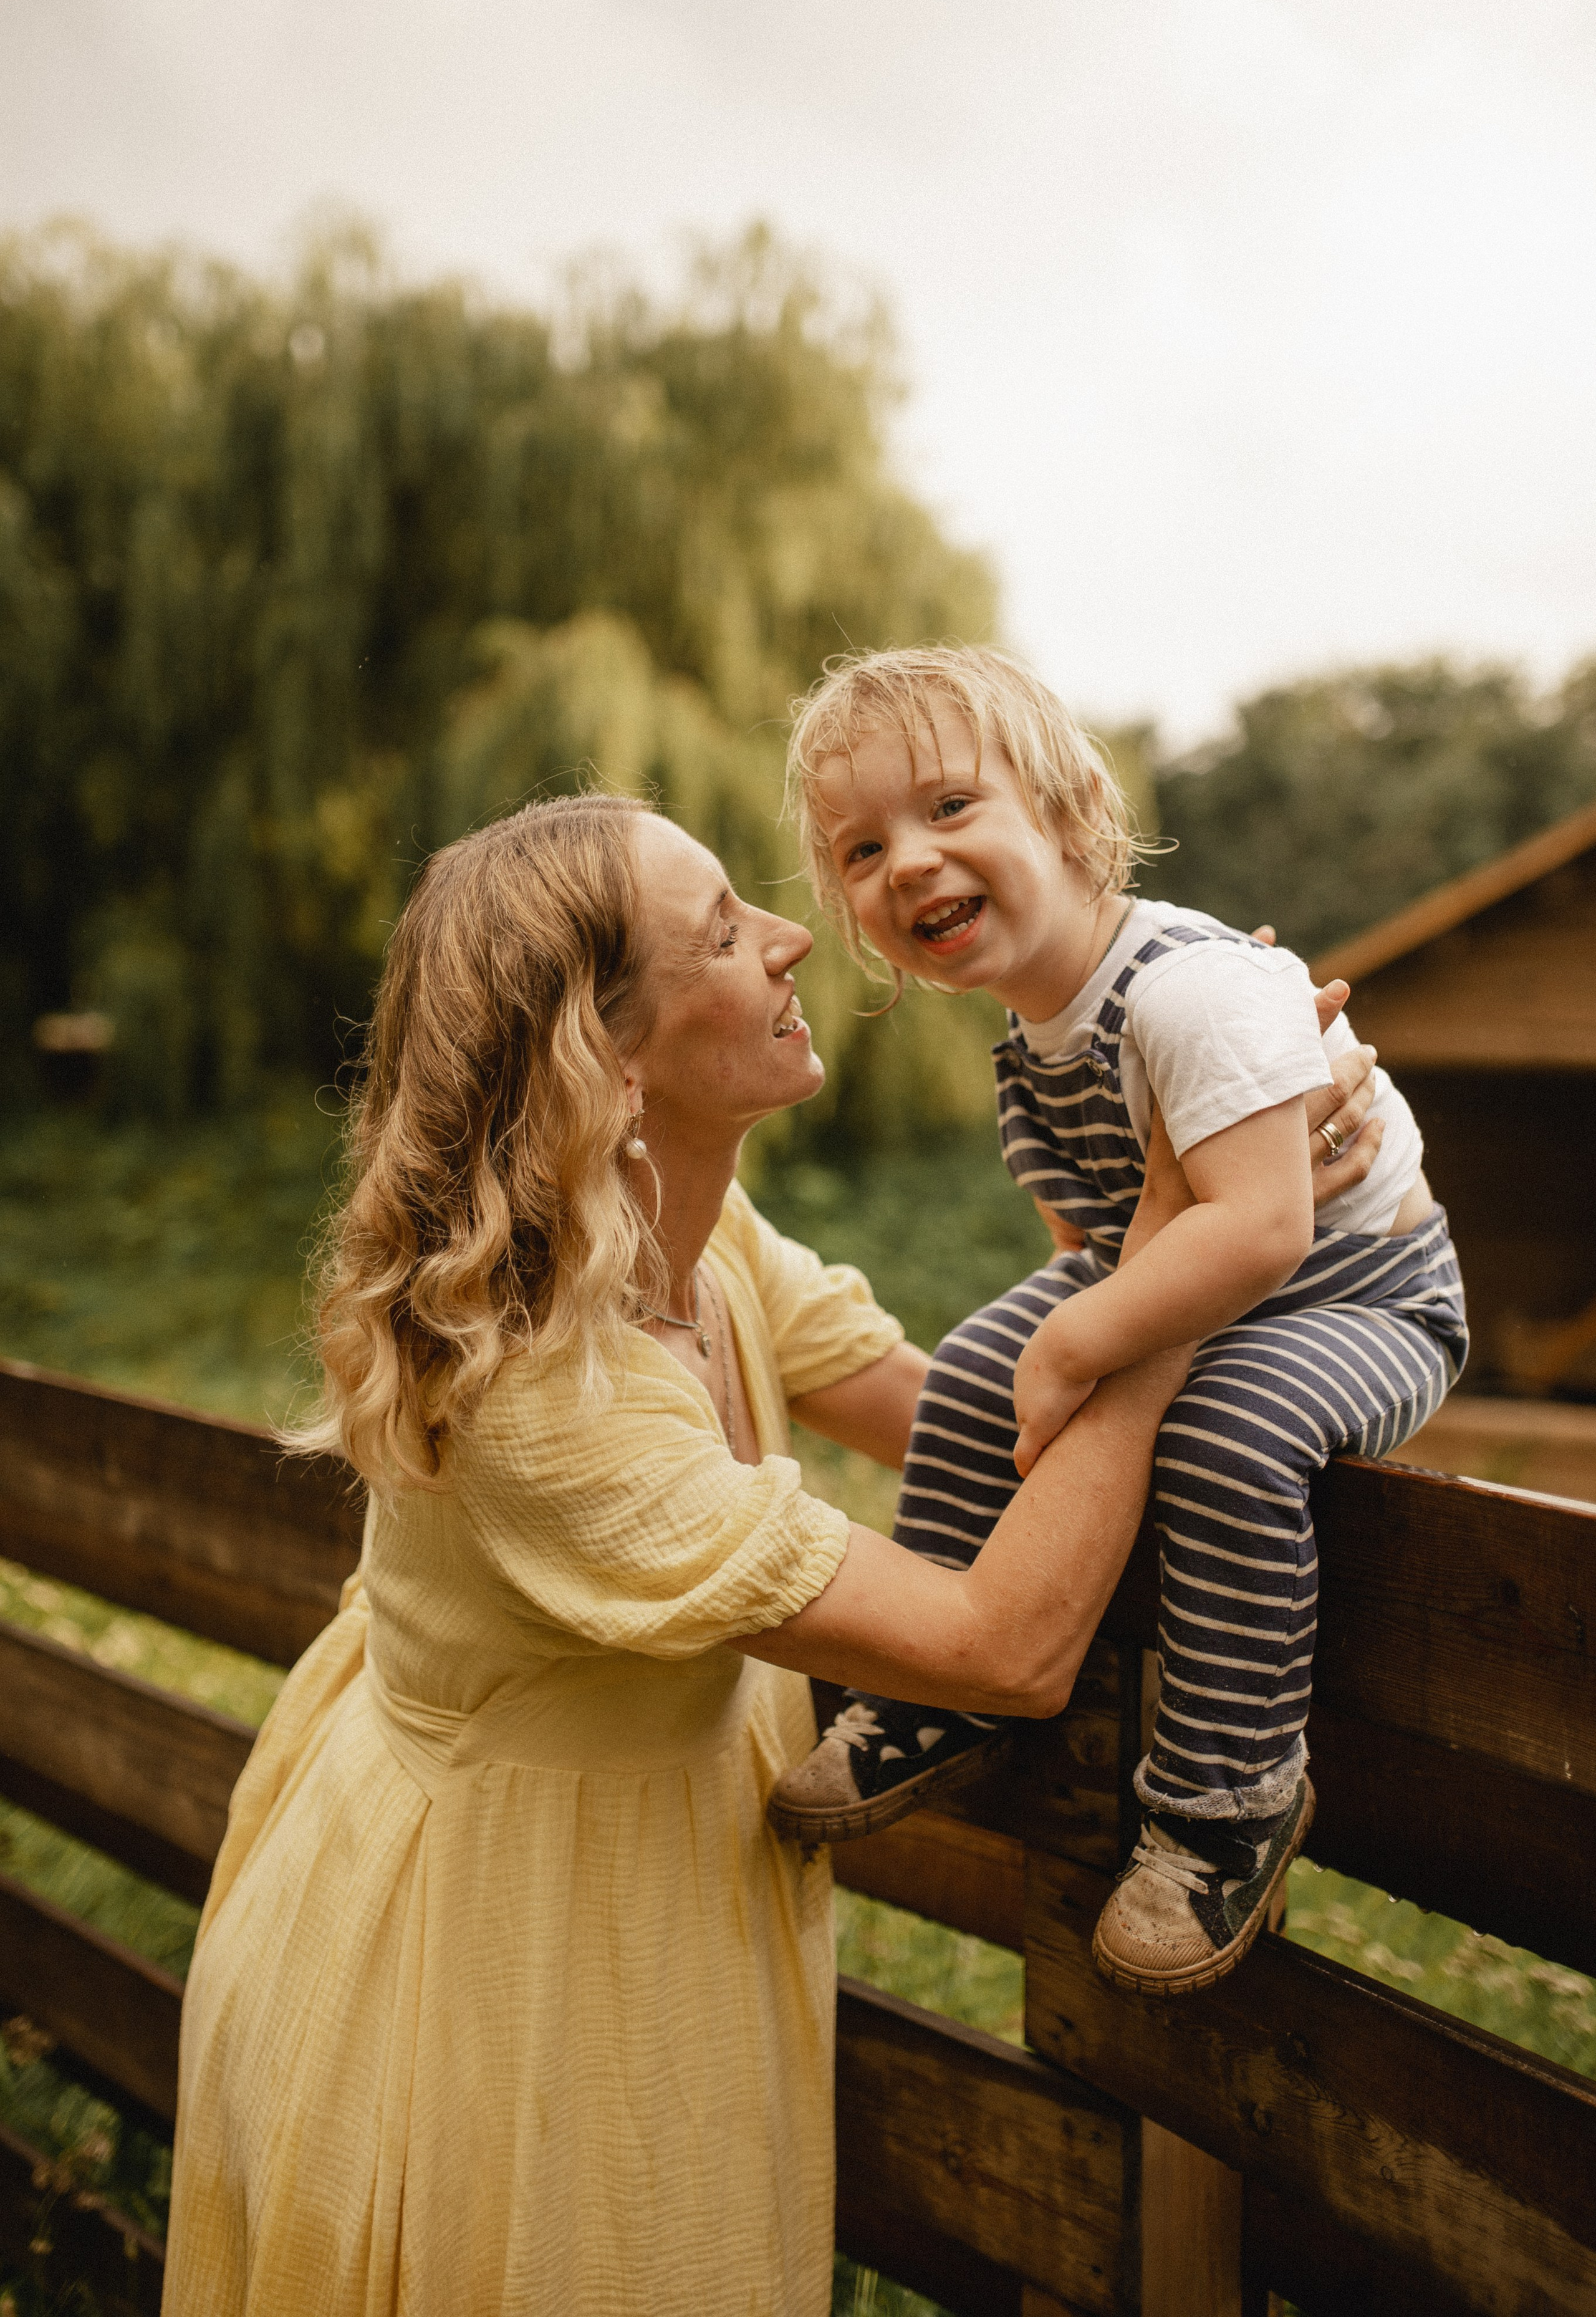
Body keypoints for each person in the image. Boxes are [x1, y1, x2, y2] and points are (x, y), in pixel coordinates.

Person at [164, 792, 1212, 2317]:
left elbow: (968, 1426)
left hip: (652, 1865)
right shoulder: (544, 1394)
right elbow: (1004, 1644)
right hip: (501, 1943)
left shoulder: (696, 1236)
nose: (794, 937)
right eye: (722, 931)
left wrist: (1197, 1113)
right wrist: (1185, 1263)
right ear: (608, 1058)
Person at [771, 645, 1468, 1999]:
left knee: (1222, 1431)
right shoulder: (1034, 1041)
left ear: (1070, 818)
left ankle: (1226, 1805)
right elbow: (1093, 1243)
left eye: (950, 807)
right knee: (974, 1362)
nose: (906, 860)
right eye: (862, 848)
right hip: (1217, 1272)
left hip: (1360, 1290)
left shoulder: (1189, 991)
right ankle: (935, 1685)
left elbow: (1261, 1228)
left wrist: (1079, 1345)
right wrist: (1054, 1335)